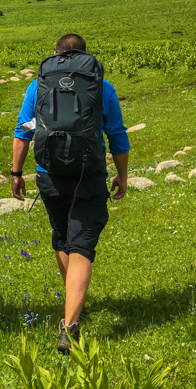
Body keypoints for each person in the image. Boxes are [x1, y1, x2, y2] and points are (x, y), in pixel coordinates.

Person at [11, 34, 129, 354]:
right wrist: (122, 175)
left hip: (50, 176)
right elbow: (116, 134)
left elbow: (23, 131)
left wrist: (17, 173)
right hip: (88, 175)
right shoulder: (101, 87)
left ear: (56, 56)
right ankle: (71, 325)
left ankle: (71, 308)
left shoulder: (39, 86)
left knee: (62, 237)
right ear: (84, 58)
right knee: (82, 246)